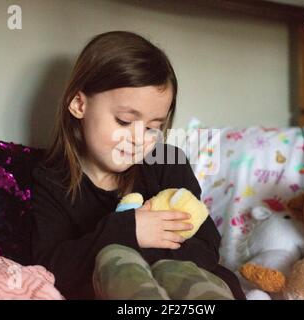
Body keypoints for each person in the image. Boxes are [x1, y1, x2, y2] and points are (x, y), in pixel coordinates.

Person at [29, 31, 245, 300]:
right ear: (78, 104)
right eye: (124, 121)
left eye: (153, 127)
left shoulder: (168, 163)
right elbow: (52, 269)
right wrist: (129, 231)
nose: (138, 139)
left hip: (187, 282)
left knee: (212, 280)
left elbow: (205, 247)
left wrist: (145, 249)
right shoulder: (52, 180)